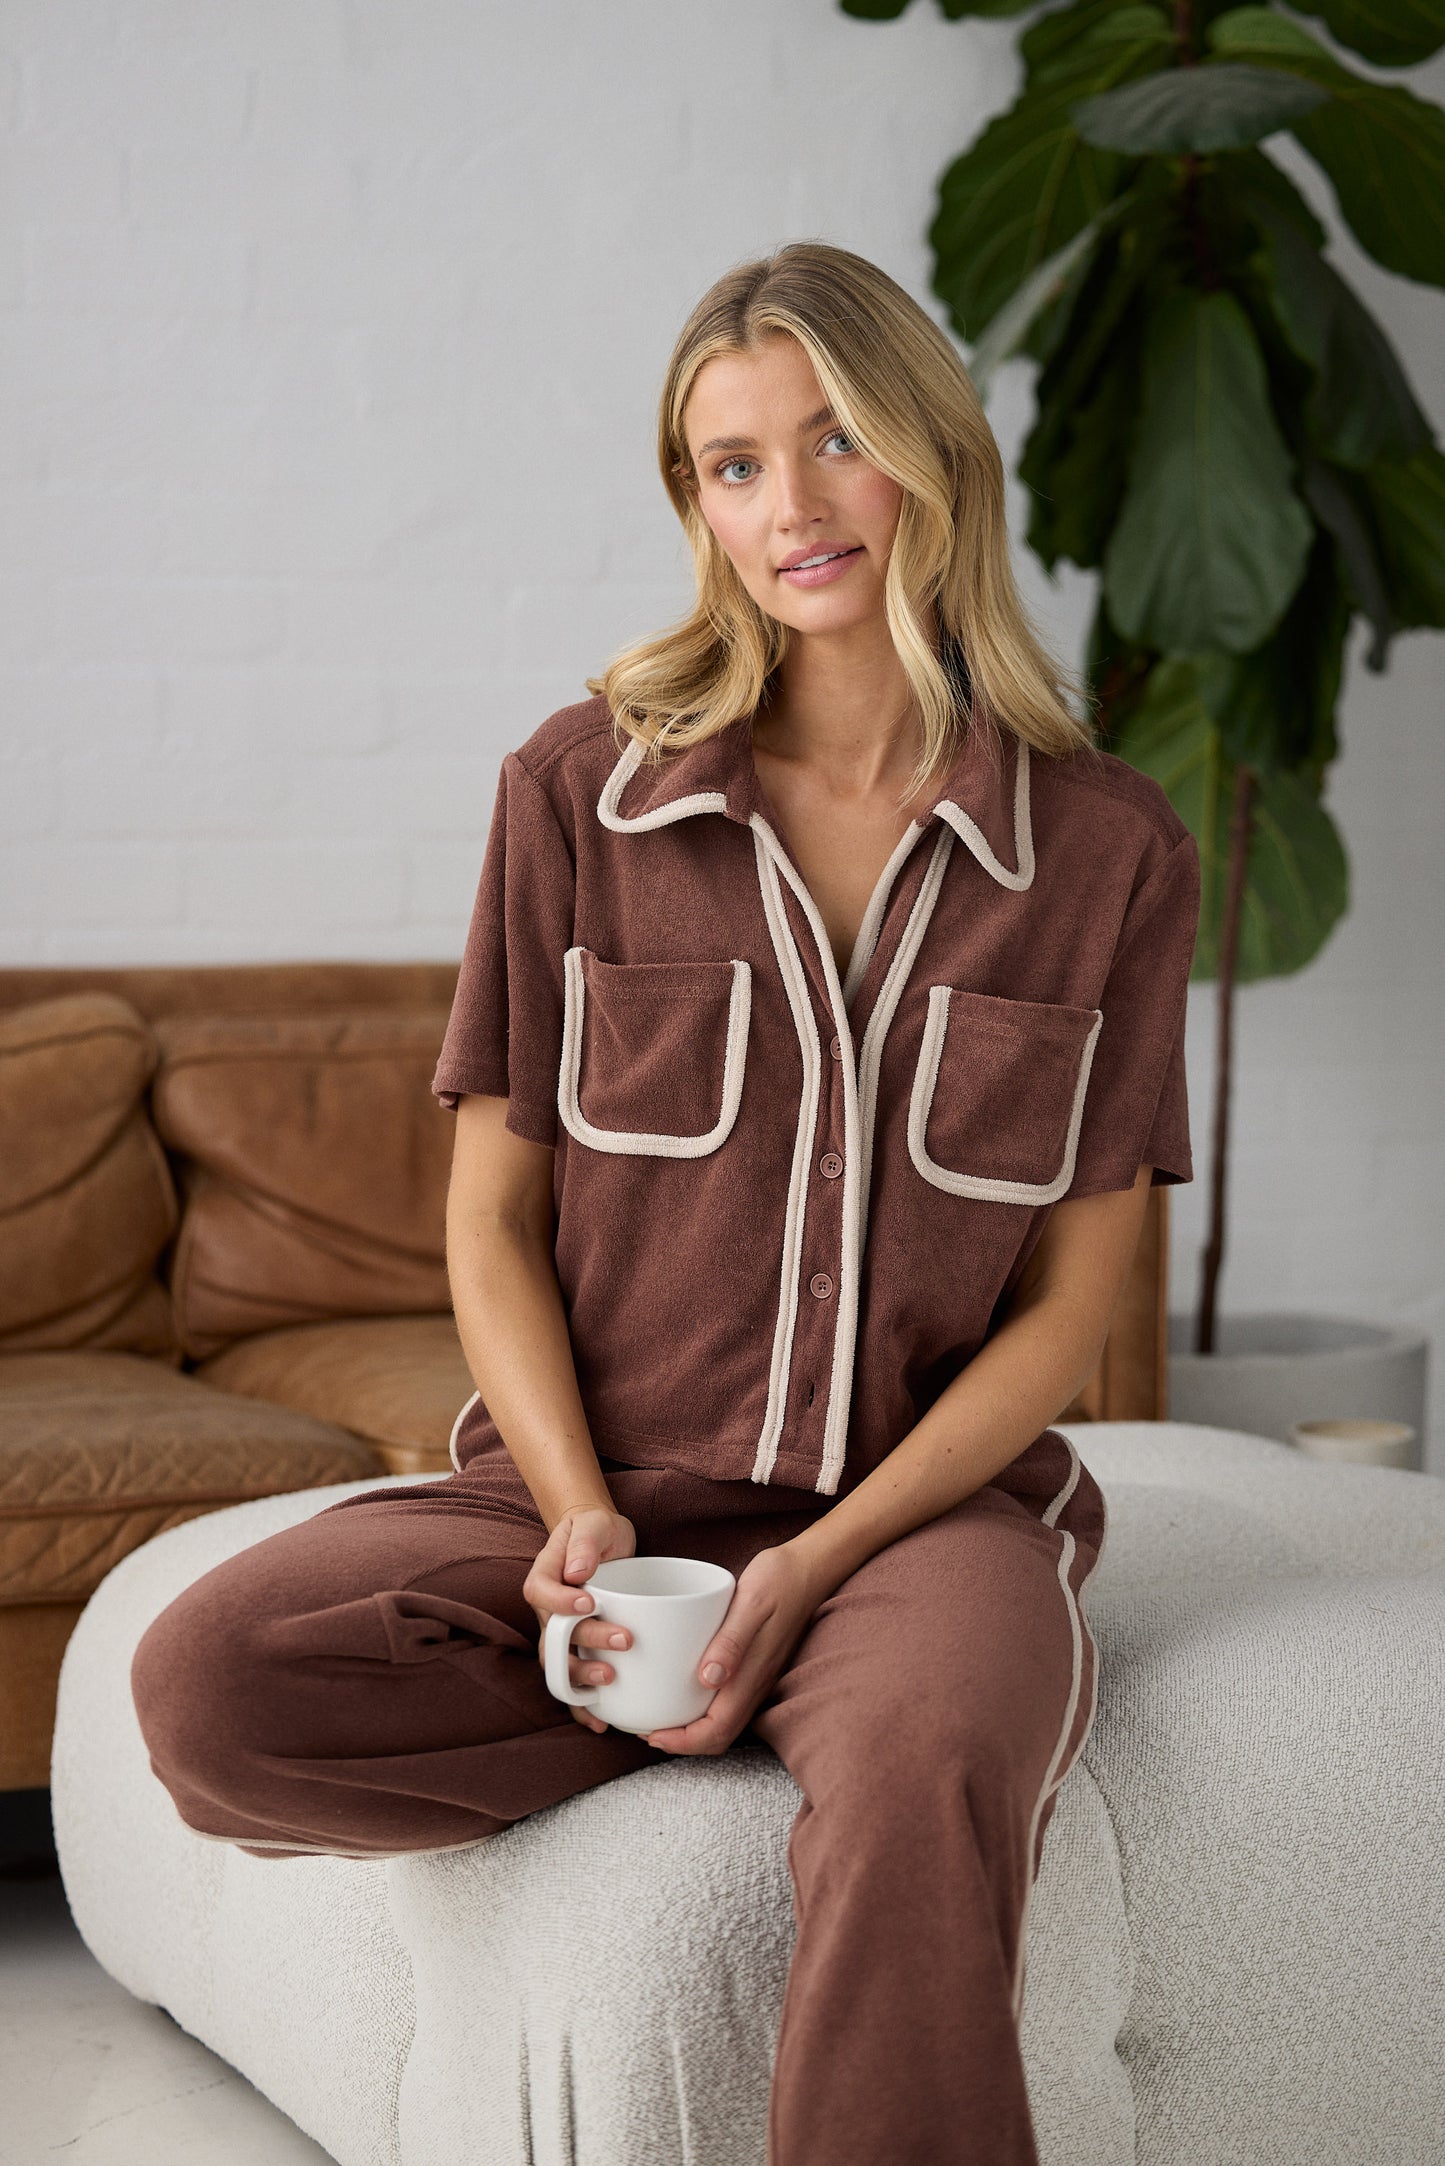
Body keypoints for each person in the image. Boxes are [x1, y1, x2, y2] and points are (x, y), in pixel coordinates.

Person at [130, 240, 1201, 2166]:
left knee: (928, 1766)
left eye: (836, 441)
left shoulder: (1105, 849)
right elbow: (489, 1225)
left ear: (932, 456)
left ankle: (794, 1681)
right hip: (608, 1492)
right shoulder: (577, 793)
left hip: (921, 1514)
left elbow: (1064, 1307)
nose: (788, 506)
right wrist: (576, 1514)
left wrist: (818, 1568)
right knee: (209, 1688)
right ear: (692, 505)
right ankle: (698, 1687)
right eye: (729, 464)